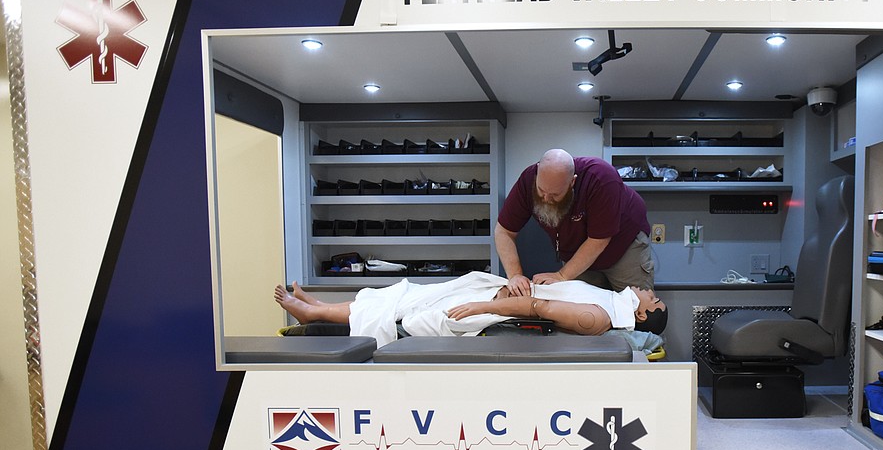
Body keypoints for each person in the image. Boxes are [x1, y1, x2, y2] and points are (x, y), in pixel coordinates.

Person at [274, 270, 667, 347]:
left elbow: (539, 308)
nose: (650, 291)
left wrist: (480, 303)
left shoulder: (597, 318)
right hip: (502, 293)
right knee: (405, 292)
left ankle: (316, 316)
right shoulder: (604, 300)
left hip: (495, 308)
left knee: (404, 312)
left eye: (655, 299)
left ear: (642, 315)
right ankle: (321, 307)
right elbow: (549, 293)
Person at [495, 148, 654, 297]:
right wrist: (515, 275)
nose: (546, 199)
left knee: (637, 309)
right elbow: (504, 231)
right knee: (581, 310)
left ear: (572, 182)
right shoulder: (527, 181)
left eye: (555, 195)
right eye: (541, 191)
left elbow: (599, 240)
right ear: (537, 172)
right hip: (576, 253)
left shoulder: (601, 178)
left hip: (622, 246)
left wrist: (562, 275)